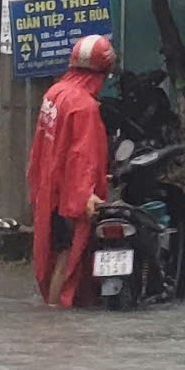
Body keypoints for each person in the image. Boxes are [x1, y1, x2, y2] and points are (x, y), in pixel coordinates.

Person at [27, 33, 116, 307]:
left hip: (48, 189)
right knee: (67, 259)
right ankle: (56, 318)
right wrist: (86, 196)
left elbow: (43, 146)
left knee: (55, 253)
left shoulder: (55, 93)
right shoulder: (85, 107)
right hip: (67, 195)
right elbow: (82, 157)